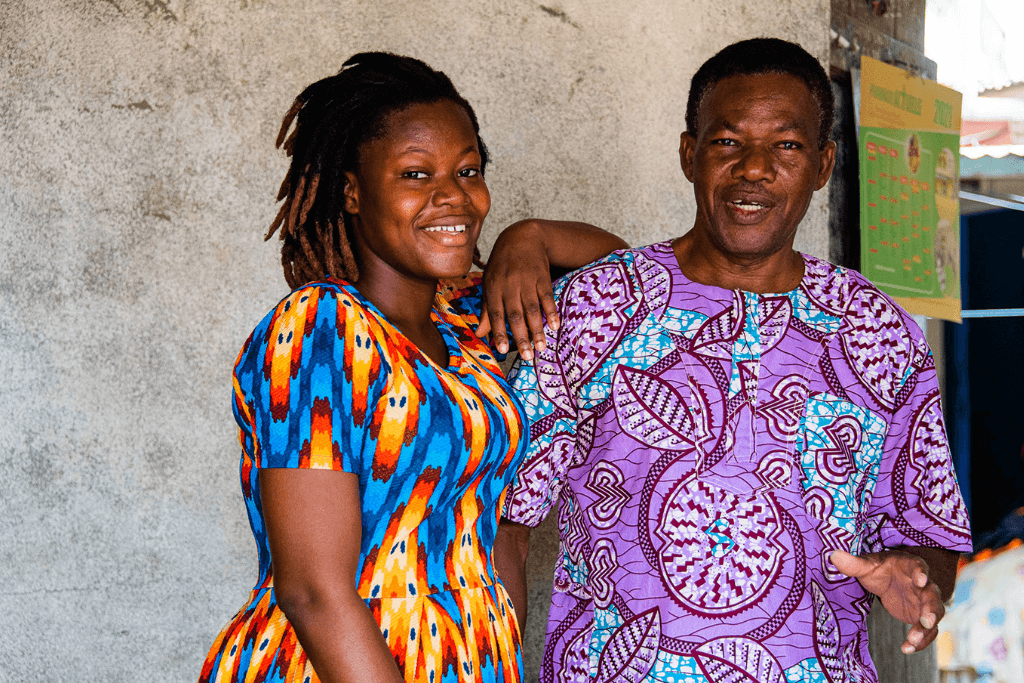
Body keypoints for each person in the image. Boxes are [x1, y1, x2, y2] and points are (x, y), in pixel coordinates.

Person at [494, 38, 972, 683]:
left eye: (787, 146)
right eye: (727, 143)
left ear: (824, 164)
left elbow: (933, 531)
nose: (754, 169)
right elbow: (506, 518)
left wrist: (918, 578)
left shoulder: (877, 330)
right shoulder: (601, 304)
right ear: (689, 154)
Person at [199, 52, 626, 683]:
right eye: (415, 174)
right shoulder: (321, 331)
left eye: (467, 170)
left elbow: (620, 273)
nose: (452, 196)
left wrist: (527, 237)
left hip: (470, 654)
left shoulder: (470, 319)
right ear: (351, 192)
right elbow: (313, 591)